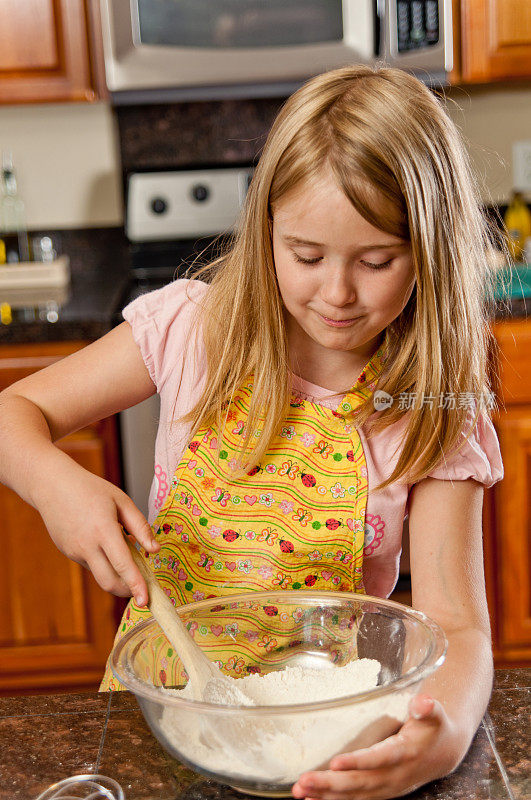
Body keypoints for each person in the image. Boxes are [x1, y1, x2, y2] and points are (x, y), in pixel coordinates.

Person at [0, 64, 506, 799]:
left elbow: (457, 627)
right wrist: (56, 486)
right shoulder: (191, 330)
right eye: (305, 255)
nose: (335, 292)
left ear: (430, 252)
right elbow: (15, 415)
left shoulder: (429, 408)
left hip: (317, 736)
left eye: (376, 261)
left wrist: (445, 733)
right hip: (162, 717)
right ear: (266, 227)